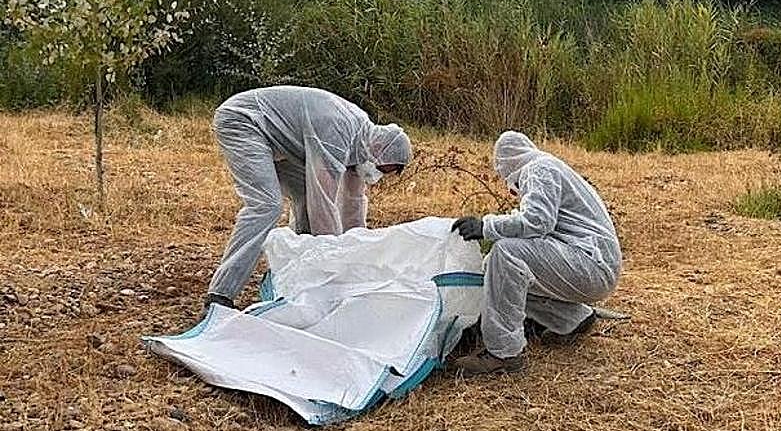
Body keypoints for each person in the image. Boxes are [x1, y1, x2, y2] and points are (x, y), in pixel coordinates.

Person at [205, 86, 412, 311]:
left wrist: (359, 255)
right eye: (381, 168)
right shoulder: (339, 132)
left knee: (304, 193)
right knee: (267, 206)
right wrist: (335, 265)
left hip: (278, 139)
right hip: (245, 121)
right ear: (380, 148)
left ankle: (299, 273)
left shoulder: (362, 147)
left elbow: (353, 203)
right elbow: (322, 203)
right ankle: (221, 294)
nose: (377, 174)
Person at [450, 131, 622, 376]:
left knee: (507, 253)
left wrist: (485, 227)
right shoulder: (548, 168)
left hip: (591, 265)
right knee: (496, 270)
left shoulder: (538, 170)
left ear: (508, 165)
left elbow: (537, 222)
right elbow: (538, 224)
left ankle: (503, 353)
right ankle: (572, 318)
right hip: (593, 265)